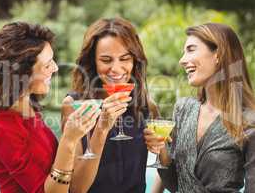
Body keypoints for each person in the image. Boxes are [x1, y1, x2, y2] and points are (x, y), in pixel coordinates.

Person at [0, 22, 101, 193]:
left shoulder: (26, 109)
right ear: (21, 73)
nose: (56, 68)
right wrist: (69, 139)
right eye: (47, 64)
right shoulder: (2, 127)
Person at [145, 23, 255, 192]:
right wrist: (162, 152)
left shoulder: (248, 122)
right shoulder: (183, 109)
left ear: (218, 55)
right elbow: (176, 184)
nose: (182, 60)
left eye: (190, 49)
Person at [61, 17, 160, 193]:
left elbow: (164, 165)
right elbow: (76, 188)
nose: (116, 68)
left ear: (135, 60)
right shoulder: (74, 106)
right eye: (106, 60)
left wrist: (161, 147)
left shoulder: (146, 106)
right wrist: (101, 129)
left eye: (125, 59)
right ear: (93, 61)